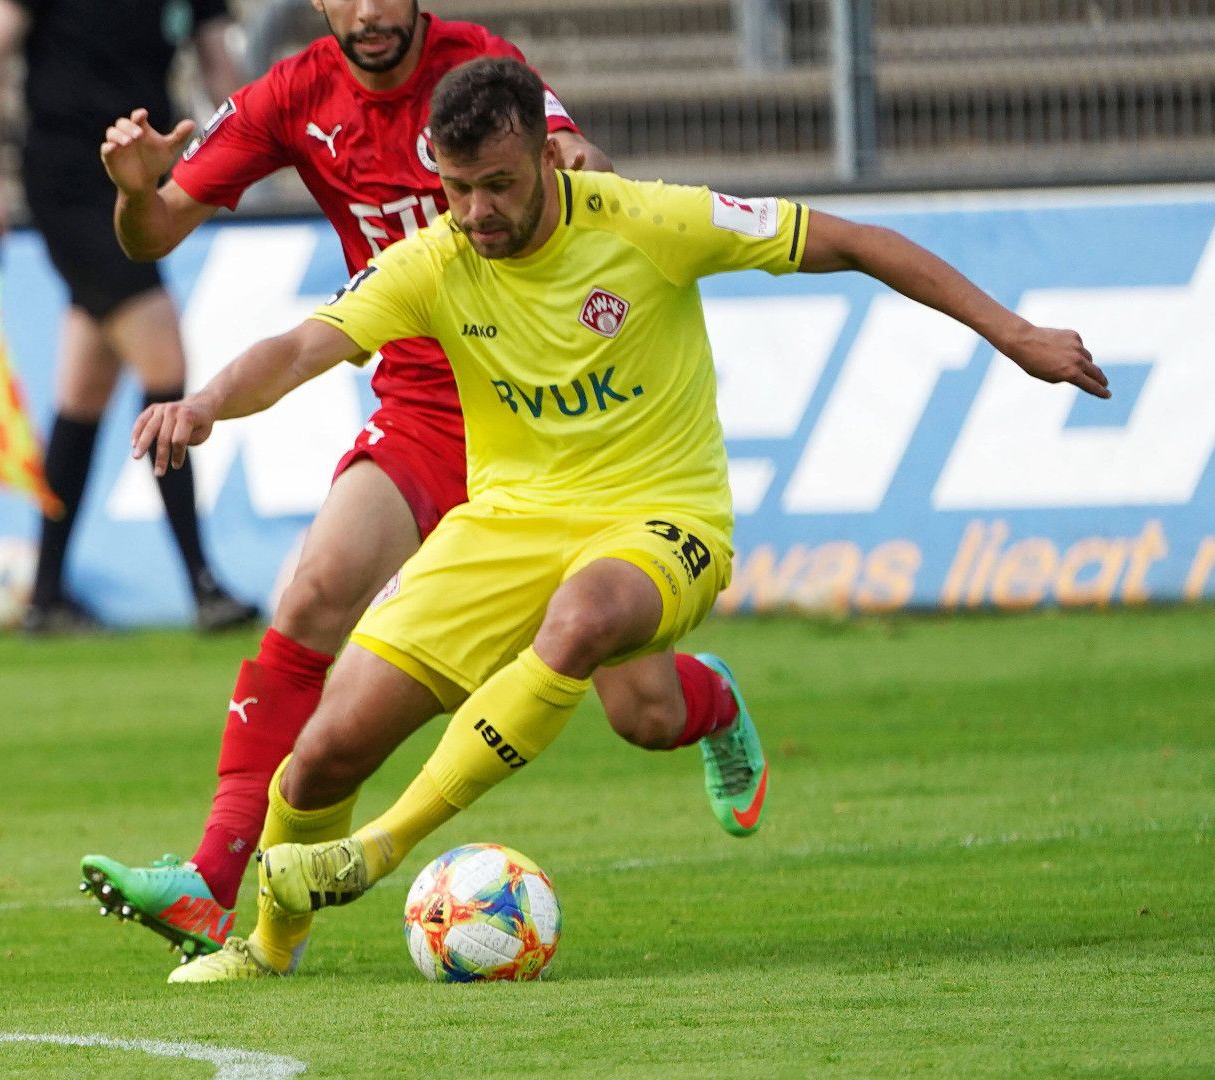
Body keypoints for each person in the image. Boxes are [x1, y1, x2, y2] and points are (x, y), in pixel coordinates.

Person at [134, 57, 1110, 982]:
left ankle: (384, 845)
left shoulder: (650, 221)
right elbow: (304, 345)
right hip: (508, 525)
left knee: (586, 619)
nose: (477, 211)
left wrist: (1015, 334)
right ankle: (267, 947)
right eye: (459, 187)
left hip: (660, 516)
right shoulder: (435, 258)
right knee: (327, 752)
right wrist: (206, 404)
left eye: (499, 186)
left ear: (548, 156)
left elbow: (854, 242)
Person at [74, 0, 621, 962]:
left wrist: (573, 165)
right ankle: (212, 884)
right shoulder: (293, 94)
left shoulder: (482, 66)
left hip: (543, 404)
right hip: (424, 406)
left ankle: (707, 701)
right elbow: (154, 233)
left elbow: (582, 163)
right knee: (317, 592)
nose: (367, 11)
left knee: (643, 707)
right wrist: (132, 191)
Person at [0, 0, 261, 634]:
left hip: (143, 183)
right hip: (69, 179)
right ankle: (203, 585)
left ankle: (45, 595)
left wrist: (258, 146)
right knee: (166, 362)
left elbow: (217, 66)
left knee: (85, 389)